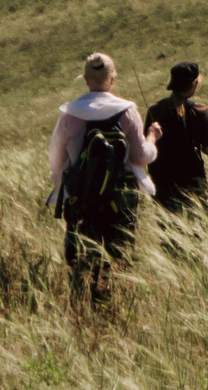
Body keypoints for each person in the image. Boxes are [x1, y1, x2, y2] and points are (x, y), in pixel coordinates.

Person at [46, 53, 159, 309]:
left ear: (86, 80)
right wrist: (152, 137)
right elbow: (141, 156)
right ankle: (117, 304)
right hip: (121, 200)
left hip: (82, 199)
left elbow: (55, 161)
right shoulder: (127, 111)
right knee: (121, 253)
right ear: (112, 79)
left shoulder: (70, 114)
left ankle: (84, 306)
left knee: (83, 255)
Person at [142, 61, 208, 212]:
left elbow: (146, 144)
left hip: (163, 182)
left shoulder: (154, 110)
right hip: (193, 181)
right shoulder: (201, 111)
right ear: (195, 83)